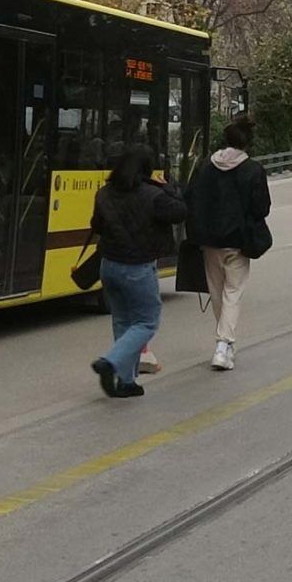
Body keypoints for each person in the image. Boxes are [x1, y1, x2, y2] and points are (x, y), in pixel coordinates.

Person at [87, 146, 184, 399]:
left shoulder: (104, 194)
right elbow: (180, 212)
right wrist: (167, 187)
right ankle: (110, 361)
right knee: (146, 321)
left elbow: (96, 225)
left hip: (108, 266)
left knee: (122, 321)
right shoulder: (153, 195)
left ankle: (126, 382)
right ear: (147, 170)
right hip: (137, 268)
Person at [184, 119, 273, 372]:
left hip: (208, 241)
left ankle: (224, 344)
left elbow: (190, 198)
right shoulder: (253, 170)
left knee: (216, 292)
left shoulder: (205, 166)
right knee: (233, 293)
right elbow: (261, 208)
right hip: (238, 242)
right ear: (247, 142)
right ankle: (223, 345)